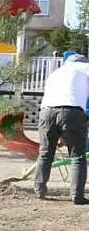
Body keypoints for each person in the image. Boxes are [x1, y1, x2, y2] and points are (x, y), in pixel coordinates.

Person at [36, 52, 89, 203]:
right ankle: (77, 196)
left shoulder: (56, 73)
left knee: (45, 154)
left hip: (46, 112)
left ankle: (39, 191)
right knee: (77, 156)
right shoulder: (84, 67)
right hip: (71, 112)